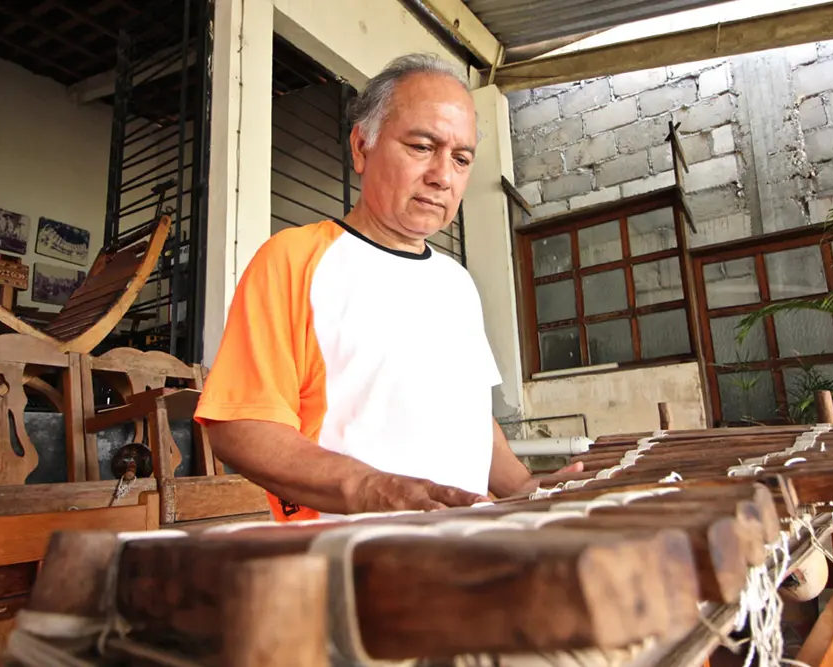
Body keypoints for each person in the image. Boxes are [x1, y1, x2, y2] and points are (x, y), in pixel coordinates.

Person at [194, 52, 578, 522]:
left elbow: (467, 413)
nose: (442, 176)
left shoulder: (456, 282)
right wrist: (368, 488)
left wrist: (522, 486)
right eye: (421, 147)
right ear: (361, 147)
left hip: (469, 552)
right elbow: (240, 424)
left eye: (461, 159)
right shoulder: (294, 259)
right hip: (345, 562)